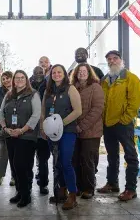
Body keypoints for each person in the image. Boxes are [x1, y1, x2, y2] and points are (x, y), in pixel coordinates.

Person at [96, 50, 140, 201]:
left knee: (130, 155)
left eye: (115, 58)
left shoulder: (130, 78)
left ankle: (131, 189)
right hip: (108, 124)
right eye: (109, 59)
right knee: (112, 155)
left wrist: (125, 119)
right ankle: (112, 183)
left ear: (121, 60)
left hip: (123, 124)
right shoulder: (105, 80)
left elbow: (134, 102)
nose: (112, 61)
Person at [41, 64, 82, 210]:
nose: (56, 74)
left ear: (64, 74)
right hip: (51, 133)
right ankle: (62, 191)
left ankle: (72, 195)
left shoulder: (71, 89)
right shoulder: (48, 91)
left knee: (66, 162)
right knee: (57, 163)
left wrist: (60, 124)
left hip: (67, 131)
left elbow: (78, 111)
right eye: (54, 72)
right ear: (51, 75)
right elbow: (43, 112)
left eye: (59, 72)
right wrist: (43, 128)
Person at [0, 70, 41, 208]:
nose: (19, 80)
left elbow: (36, 115)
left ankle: (26, 195)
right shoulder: (9, 94)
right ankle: (19, 192)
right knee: (14, 165)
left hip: (27, 136)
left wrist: (21, 130)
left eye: (22, 78)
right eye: (17, 78)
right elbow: (0, 113)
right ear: (13, 80)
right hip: (10, 135)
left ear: (26, 79)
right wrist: (5, 128)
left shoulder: (34, 94)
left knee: (23, 165)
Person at [70, 63, 104, 199]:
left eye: (84, 71)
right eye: (79, 72)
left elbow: (97, 109)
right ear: (75, 74)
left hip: (91, 131)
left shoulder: (96, 87)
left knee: (88, 160)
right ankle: (78, 187)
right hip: (75, 130)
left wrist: (82, 126)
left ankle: (89, 188)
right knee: (75, 159)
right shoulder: (73, 88)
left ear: (89, 73)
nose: (82, 73)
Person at [29, 66, 51, 195]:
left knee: (43, 160)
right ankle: (28, 184)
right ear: (32, 74)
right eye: (36, 72)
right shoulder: (27, 86)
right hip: (30, 130)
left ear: (44, 73)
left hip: (44, 129)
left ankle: (43, 184)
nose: (38, 74)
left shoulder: (49, 86)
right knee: (29, 160)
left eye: (41, 73)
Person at [0, 71, 15, 186]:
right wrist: (2, 119)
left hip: (17, 127)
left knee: (15, 154)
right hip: (4, 127)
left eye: (8, 78)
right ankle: (0, 175)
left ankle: (14, 177)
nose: (6, 80)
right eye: (4, 79)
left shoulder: (19, 90)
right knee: (2, 154)